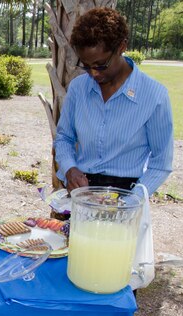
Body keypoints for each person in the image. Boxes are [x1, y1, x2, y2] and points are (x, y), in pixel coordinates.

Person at [54, 7, 173, 196]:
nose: (94, 73)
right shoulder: (78, 88)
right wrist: (70, 169)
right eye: (86, 66)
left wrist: (130, 204)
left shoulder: (154, 95)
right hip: (82, 195)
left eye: (101, 65)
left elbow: (161, 163)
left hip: (128, 197)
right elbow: (64, 138)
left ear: (122, 47)